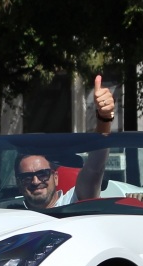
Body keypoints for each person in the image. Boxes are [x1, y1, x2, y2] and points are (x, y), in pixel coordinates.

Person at [16, 75, 115, 210]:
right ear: (19, 184)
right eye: (27, 177)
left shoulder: (73, 202)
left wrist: (104, 119)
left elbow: (95, 168)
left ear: (55, 177)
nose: (35, 181)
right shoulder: (9, 214)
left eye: (42, 174)